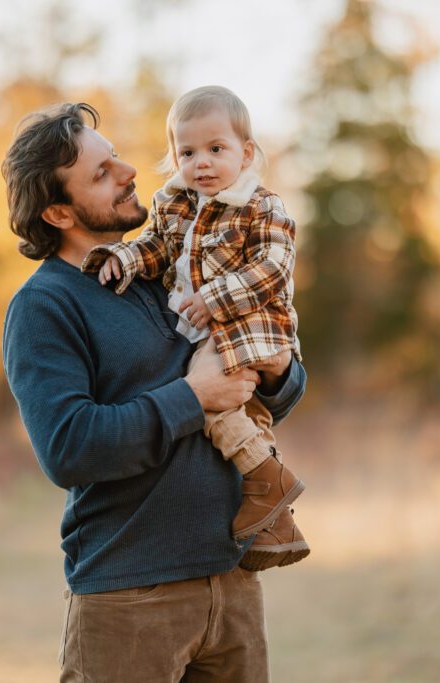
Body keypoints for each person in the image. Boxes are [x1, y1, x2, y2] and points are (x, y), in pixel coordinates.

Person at [1, 101, 308, 682]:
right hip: (130, 595)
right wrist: (195, 397)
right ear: (60, 213)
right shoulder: (45, 307)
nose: (129, 171)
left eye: (113, 155)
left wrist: (276, 371)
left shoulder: (162, 270)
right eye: (101, 172)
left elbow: (272, 390)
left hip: (233, 582)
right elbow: (69, 449)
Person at [82, 86, 308, 569]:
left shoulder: (263, 207)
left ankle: (270, 479)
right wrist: (121, 257)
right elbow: (156, 248)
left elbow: (273, 267)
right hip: (206, 331)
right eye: (187, 152)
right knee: (246, 415)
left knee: (210, 402)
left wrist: (215, 298)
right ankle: (274, 522)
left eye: (216, 149)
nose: (201, 162)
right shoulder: (177, 205)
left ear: (246, 153)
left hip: (250, 326)